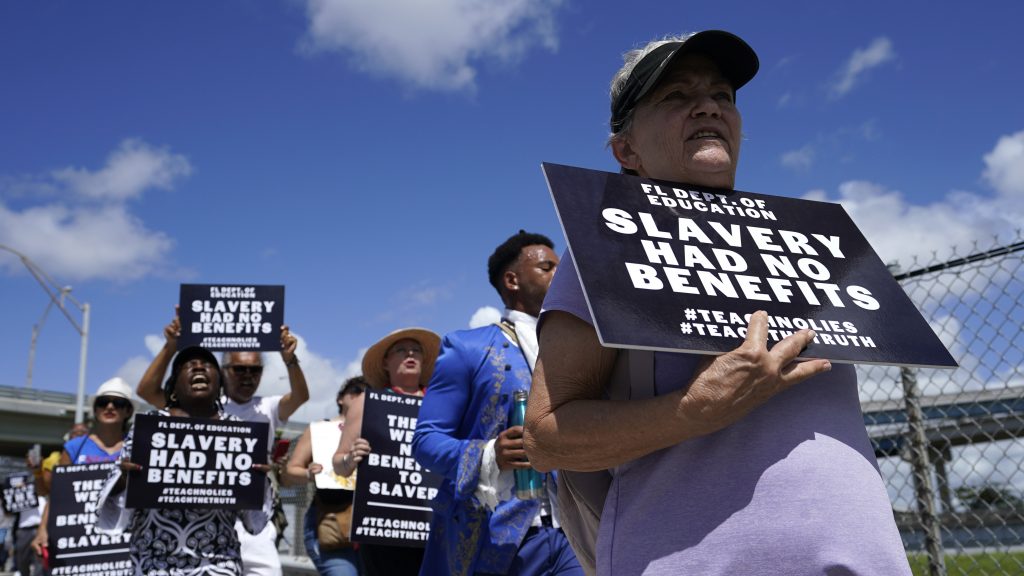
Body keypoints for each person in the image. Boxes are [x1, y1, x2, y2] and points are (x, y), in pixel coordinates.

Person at [522, 30, 912, 576]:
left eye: (722, 95)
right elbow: (545, 438)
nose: (707, 104)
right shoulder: (606, 241)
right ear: (626, 149)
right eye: (676, 96)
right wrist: (695, 409)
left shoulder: (806, 242)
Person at [412, 231, 582, 576]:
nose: (560, 275)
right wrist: (491, 453)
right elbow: (426, 441)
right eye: (548, 267)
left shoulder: (581, 351)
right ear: (512, 280)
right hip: (498, 532)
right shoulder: (467, 348)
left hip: (575, 530)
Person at [136, 311, 310, 576]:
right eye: (239, 369)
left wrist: (289, 359)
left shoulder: (268, 407)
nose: (248, 376)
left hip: (250, 510)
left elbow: (300, 396)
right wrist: (171, 346)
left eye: (255, 370)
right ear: (222, 372)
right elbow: (147, 392)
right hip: (200, 512)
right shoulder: (197, 405)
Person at [96, 345, 269, 576]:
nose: (198, 366)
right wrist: (125, 478)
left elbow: (254, 523)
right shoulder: (149, 427)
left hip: (218, 564)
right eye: (188, 365)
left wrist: (258, 481)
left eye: (207, 364)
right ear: (174, 387)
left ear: (219, 384)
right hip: (154, 563)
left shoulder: (238, 431)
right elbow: (113, 516)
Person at [332, 327, 441, 576]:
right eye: (401, 350)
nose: (410, 354)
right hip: (383, 528)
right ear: (386, 362)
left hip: (433, 524)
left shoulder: (440, 402)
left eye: (416, 350)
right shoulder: (367, 402)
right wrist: (350, 459)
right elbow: (338, 461)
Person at [31, 377, 135, 557]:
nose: (110, 407)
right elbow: (57, 494)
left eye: (118, 403)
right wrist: (42, 529)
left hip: (124, 536)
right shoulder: (73, 447)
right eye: (103, 403)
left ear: (127, 411)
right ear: (95, 410)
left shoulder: (136, 447)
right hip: (79, 539)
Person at [282, 376, 368, 576]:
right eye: (356, 390)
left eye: (368, 392)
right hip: (330, 522)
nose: (362, 395)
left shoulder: (379, 429)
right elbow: (291, 469)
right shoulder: (320, 429)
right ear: (340, 398)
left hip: (368, 528)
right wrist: (308, 473)